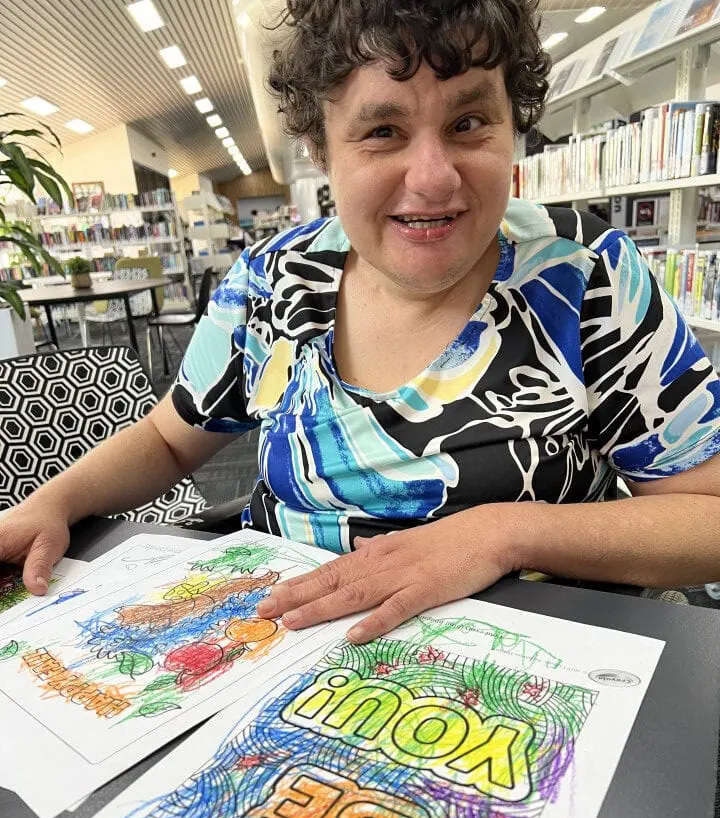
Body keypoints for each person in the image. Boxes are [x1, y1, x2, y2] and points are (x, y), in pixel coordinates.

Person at [4, 0, 720, 646]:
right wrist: (55, 501)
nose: (435, 176)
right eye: (382, 131)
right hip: (287, 662)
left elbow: (708, 517)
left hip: (533, 674)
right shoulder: (269, 282)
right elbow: (168, 438)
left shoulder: (585, 273)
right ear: (324, 149)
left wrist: (503, 533)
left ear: (513, 126)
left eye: (469, 123)